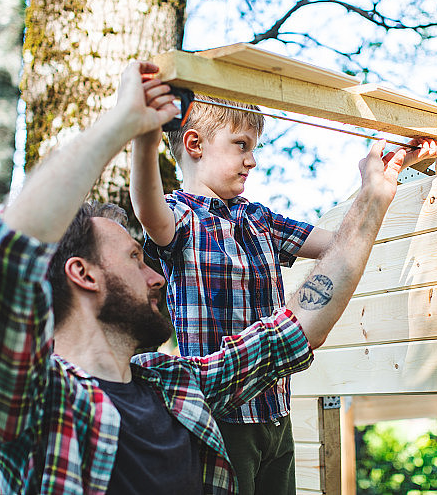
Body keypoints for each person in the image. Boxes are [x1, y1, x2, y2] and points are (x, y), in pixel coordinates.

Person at [0, 61, 437, 494]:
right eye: (135, 257)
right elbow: (9, 254)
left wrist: (376, 193)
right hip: (238, 423)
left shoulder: (176, 388)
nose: (156, 273)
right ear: (83, 275)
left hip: (271, 411)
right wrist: (128, 128)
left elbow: (301, 325)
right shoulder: (33, 404)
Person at [128, 91, 334, 493]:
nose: (252, 160)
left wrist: (388, 179)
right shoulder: (180, 215)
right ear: (195, 144)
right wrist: (145, 137)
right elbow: (146, 208)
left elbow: (342, 244)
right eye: (241, 145)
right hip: (221, 419)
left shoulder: (257, 217)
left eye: (253, 148)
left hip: (277, 413)